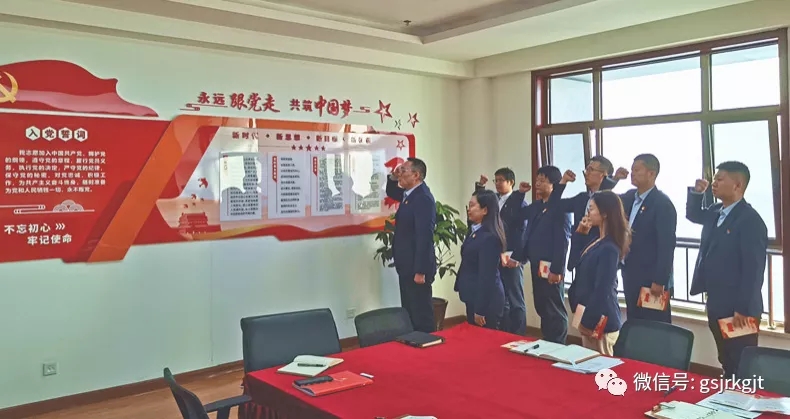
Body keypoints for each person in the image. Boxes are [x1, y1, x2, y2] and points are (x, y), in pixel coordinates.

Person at [687, 161, 767, 378]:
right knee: (725, 356)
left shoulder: (750, 220)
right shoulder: (716, 211)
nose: (714, 183)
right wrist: (696, 193)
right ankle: (727, 388)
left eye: (720, 179)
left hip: (739, 308)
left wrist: (743, 308)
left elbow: (754, 270)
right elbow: (693, 215)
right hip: (716, 300)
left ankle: (742, 395)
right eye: (714, 179)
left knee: (741, 359)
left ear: (737, 185)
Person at [565, 186, 631, 356]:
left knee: (601, 367)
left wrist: (589, 320)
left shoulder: (609, 248)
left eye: (592, 209)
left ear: (605, 213)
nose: (588, 213)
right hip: (586, 310)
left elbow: (603, 288)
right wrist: (579, 235)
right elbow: (573, 264)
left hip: (600, 318)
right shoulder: (596, 240)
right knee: (587, 362)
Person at [510, 166, 572, 344]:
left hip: (551, 266)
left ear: (554, 184)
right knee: (542, 305)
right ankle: (547, 341)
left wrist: (557, 269)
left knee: (554, 308)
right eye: (537, 179)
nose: (537, 183)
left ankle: (558, 344)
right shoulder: (537, 206)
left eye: (543, 180)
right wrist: (520, 194)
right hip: (536, 264)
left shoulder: (560, 208)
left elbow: (562, 241)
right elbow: (515, 216)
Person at [618, 154, 677, 323]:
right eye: (632, 170)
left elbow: (666, 245)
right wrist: (613, 179)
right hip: (631, 272)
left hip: (651, 278)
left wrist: (660, 280)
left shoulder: (662, 204)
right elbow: (605, 200)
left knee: (654, 324)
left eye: (637, 170)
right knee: (634, 321)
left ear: (651, 174)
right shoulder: (630, 197)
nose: (632, 173)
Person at [546, 156, 627, 276]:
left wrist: (614, 179)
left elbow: (603, 196)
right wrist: (563, 181)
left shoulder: (612, 201)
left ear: (603, 174)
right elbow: (553, 206)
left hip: (600, 257)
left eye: (591, 170)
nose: (586, 173)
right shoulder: (581, 198)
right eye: (586, 170)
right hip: (579, 257)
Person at [474, 168, 528, 335]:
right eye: (495, 180)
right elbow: (479, 207)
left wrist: (518, 257)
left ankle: (519, 334)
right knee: (502, 298)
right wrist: (480, 187)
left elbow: (522, 233)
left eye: (501, 180)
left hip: (512, 256)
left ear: (511, 182)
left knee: (515, 298)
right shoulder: (494, 200)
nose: (497, 184)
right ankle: (505, 332)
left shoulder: (519, 203)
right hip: (496, 254)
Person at [385, 157, 437, 333]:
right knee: (409, 311)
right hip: (407, 264)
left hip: (417, 268)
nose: (400, 173)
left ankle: (428, 343)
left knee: (421, 314)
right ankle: (413, 342)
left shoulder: (422, 198)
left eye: (404, 170)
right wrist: (394, 176)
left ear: (416, 175)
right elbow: (392, 191)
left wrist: (421, 270)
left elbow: (424, 236)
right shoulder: (410, 194)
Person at [455, 189, 507, 329]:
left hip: (486, 301)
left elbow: (487, 276)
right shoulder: (475, 231)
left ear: (485, 210)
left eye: (472, 205)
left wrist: (480, 309)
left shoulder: (490, 237)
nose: (469, 209)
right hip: (473, 294)